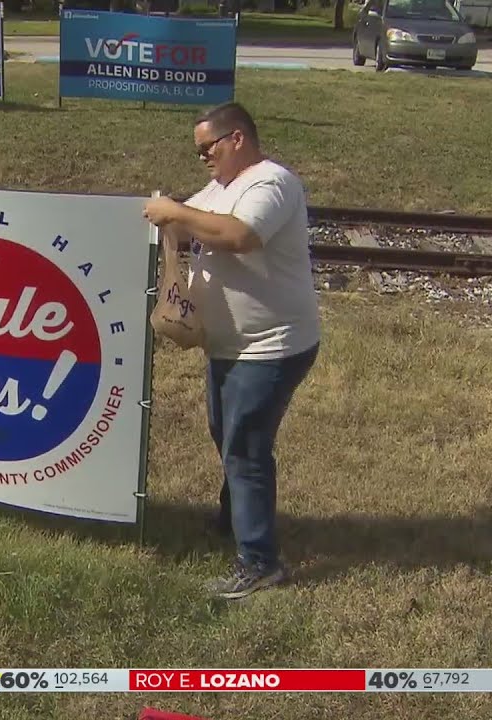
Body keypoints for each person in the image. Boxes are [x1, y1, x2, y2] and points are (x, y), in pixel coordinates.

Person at [143, 101, 322, 601]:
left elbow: (240, 235)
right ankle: (234, 518)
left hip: (272, 345)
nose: (202, 157)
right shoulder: (222, 186)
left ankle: (260, 562)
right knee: (228, 434)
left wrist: (175, 211)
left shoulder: (271, 182)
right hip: (231, 345)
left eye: (208, 148)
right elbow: (192, 224)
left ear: (237, 138)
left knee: (244, 447)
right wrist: (170, 220)